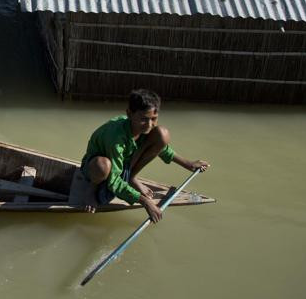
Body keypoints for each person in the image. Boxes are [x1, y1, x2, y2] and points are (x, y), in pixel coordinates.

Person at [70, 89, 210, 222]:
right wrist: (145, 201)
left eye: (154, 118)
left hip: (124, 164)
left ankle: (131, 177)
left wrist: (188, 164)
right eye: (144, 119)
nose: (149, 125)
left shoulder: (144, 127)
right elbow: (113, 181)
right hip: (96, 169)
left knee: (162, 134)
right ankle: (91, 189)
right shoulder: (116, 137)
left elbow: (162, 148)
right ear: (129, 114)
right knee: (103, 166)